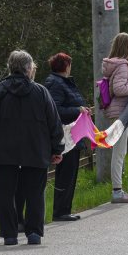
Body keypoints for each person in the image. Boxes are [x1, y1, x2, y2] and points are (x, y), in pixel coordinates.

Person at [0, 50, 64, 245]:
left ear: (10, 68)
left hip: (3, 151)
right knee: (35, 192)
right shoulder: (41, 92)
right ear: (28, 69)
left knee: (5, 193)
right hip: (36, 150)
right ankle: (34, 232)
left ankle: (9, 234)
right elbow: (54, 123)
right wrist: (57, 149)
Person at [44, 52, 88, 221]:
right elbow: (55, 111)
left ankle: (65, 209)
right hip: (65, 137)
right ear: (66, 66)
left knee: (70, 173)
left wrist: (82, 110)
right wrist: (77, 110)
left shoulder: (63, 82)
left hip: (72, 135)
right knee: (65, 173)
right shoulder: (56, 84)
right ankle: (60, 211)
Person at [102, 33, 128, 203]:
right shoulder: (123, 66)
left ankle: (118, 189)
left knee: (119, 151)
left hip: (115, 111)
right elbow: (119, 89)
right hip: (121, 113)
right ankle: (117, 191)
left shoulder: (112, 65)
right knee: (119, 152)